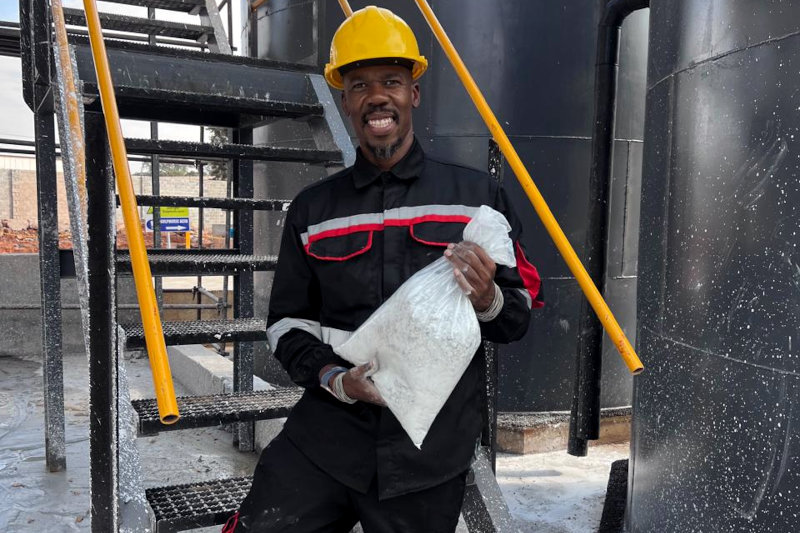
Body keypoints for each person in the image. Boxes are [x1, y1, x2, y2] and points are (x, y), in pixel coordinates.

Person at [224, 6, 543, 533]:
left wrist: (489, 299)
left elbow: (518, 316)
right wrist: (336, 380)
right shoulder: (313, 210)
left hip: (427, 451)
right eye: (359, 85)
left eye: (391, 81)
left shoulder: (477, 201)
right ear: (345, 102)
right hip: (327, 436)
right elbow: (286, 323)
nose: (377, 96)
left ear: (413, 93)